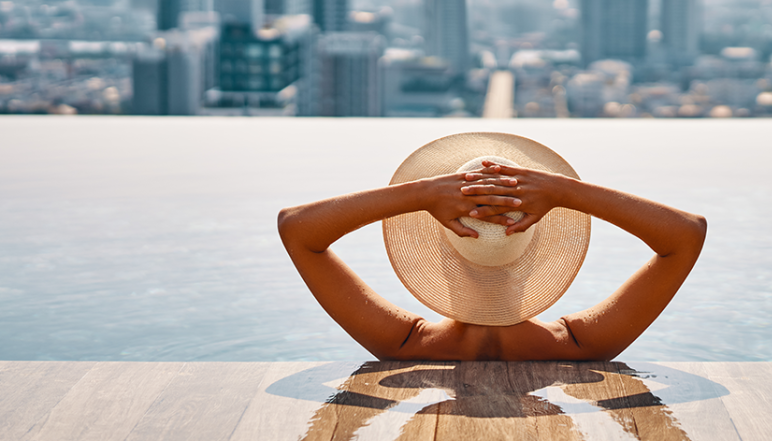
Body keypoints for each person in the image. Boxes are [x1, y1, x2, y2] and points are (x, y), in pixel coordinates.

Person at [278, 132, 706, 362]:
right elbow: (686, 234)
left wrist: (420, 194)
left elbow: (296, 228)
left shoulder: (404, 344)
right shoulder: (579, 346)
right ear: (536, 250)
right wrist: (565, 191)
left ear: (439, 253)